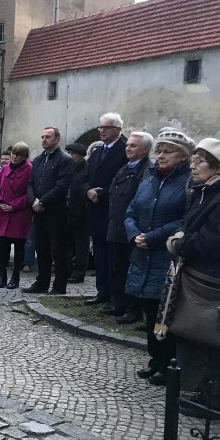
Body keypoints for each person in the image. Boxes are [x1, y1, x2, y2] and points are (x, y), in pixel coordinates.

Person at [168, 138, 220, 414]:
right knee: (197, 336)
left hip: (217, 281)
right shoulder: (208, 190)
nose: (193, 165)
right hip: (201, 275)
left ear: (218, 166)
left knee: (212, 337)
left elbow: (214, 242)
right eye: (193, 159)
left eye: (199, 160)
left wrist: (178, 244)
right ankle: (197, 393)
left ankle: (213, 398)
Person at [125, 127, 193, 386]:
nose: (161, 155)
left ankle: (169, 364)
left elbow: (185, 219)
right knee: (150, 308)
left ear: (183, 156)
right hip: (143, 253)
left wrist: (151, 237)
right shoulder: (149, 178)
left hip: (166, 255)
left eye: (168, 151)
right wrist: (134, 234)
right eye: (159, 150)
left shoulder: (187, 183)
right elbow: (131, 209)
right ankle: (155, 359)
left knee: (167, 311)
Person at [105, 132, 153, 322]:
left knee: (131, 269)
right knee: (116, 268)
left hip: (133, 229)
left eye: (133, 145)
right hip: (116, 225)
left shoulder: (147, 170)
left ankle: (134, 309)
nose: (128, 148)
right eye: (128, 145)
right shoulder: (124, 168)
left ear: (145, 149)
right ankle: (119, 304)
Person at [81, 112, 128, 299]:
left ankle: (114, 295)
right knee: (99, 254)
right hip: (95, 209)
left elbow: (122, 180)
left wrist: (101, 192)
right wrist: (88, 190)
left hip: (111, 208)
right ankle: (102, 291)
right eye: (100, 127)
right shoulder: (97, 150)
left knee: (113, 257)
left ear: (117, 129)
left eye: (106, 127)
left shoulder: (124, 150)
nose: (101, 131)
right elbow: (85, 176)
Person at [22, 127, 73, 294]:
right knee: (41, 249)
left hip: (56, 211)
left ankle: (59, 286)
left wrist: (43, 201)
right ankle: (41, 283)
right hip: (38, 211)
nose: (44, 139)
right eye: (42, 136)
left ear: (57, 139)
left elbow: (62, 186)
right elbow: (30, 183)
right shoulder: (37, 160)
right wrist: (33, 201)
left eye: (48, 137)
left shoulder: (64, 160)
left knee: (58, 250)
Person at [0, 142, 34, 289]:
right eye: (13, 154)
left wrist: (14, 206)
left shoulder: (30, 170)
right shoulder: (4, 169)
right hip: (2, 214)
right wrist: (0, 202)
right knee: (2, 248)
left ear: (25, 157)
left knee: (18, 248)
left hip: (19, 215)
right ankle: (2, 277)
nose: (14, 157)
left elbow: (30, 194)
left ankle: (15, 277)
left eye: (18, 155)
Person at [65, 142, 89, 284]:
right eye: (69, 153)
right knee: (66, 244)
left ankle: (79, 273)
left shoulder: (86, 169)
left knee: (81, 245)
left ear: (80, 155)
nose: (71, 156)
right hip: (67, 211)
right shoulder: (68, 168)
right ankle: (66, 270)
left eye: (73, 154)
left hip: (81, 211)